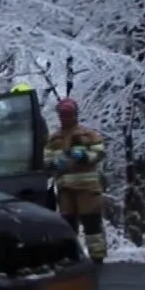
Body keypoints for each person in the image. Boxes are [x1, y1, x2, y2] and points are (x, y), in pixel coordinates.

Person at [42, 97, 107, 263]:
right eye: (63, 114)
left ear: (75, 114)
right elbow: (46, 160)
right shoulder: (54, 138)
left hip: (87, 188)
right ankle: (71, 256)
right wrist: (54, 163)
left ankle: (97, 256)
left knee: (91, 222)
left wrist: (85, 155)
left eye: (68, 114)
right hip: (66, 189)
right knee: (68, 224)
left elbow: (99, 153)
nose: (66, 117)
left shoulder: (88, 135)